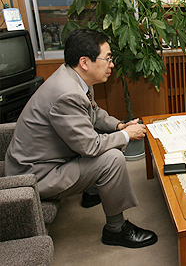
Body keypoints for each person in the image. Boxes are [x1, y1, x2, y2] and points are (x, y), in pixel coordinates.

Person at [5, 29, 157, 248]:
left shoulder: (73, 77)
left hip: (44, 160)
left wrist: (119, 125)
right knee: (112, 158)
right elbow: (90, 146)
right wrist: (126, 135)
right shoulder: (67, 93)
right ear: (85, 62)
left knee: (111, 137)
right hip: (33, 176)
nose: (111, 64)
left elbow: (93, 114)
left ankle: (93, 192)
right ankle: (116, 230)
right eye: (107, 58)